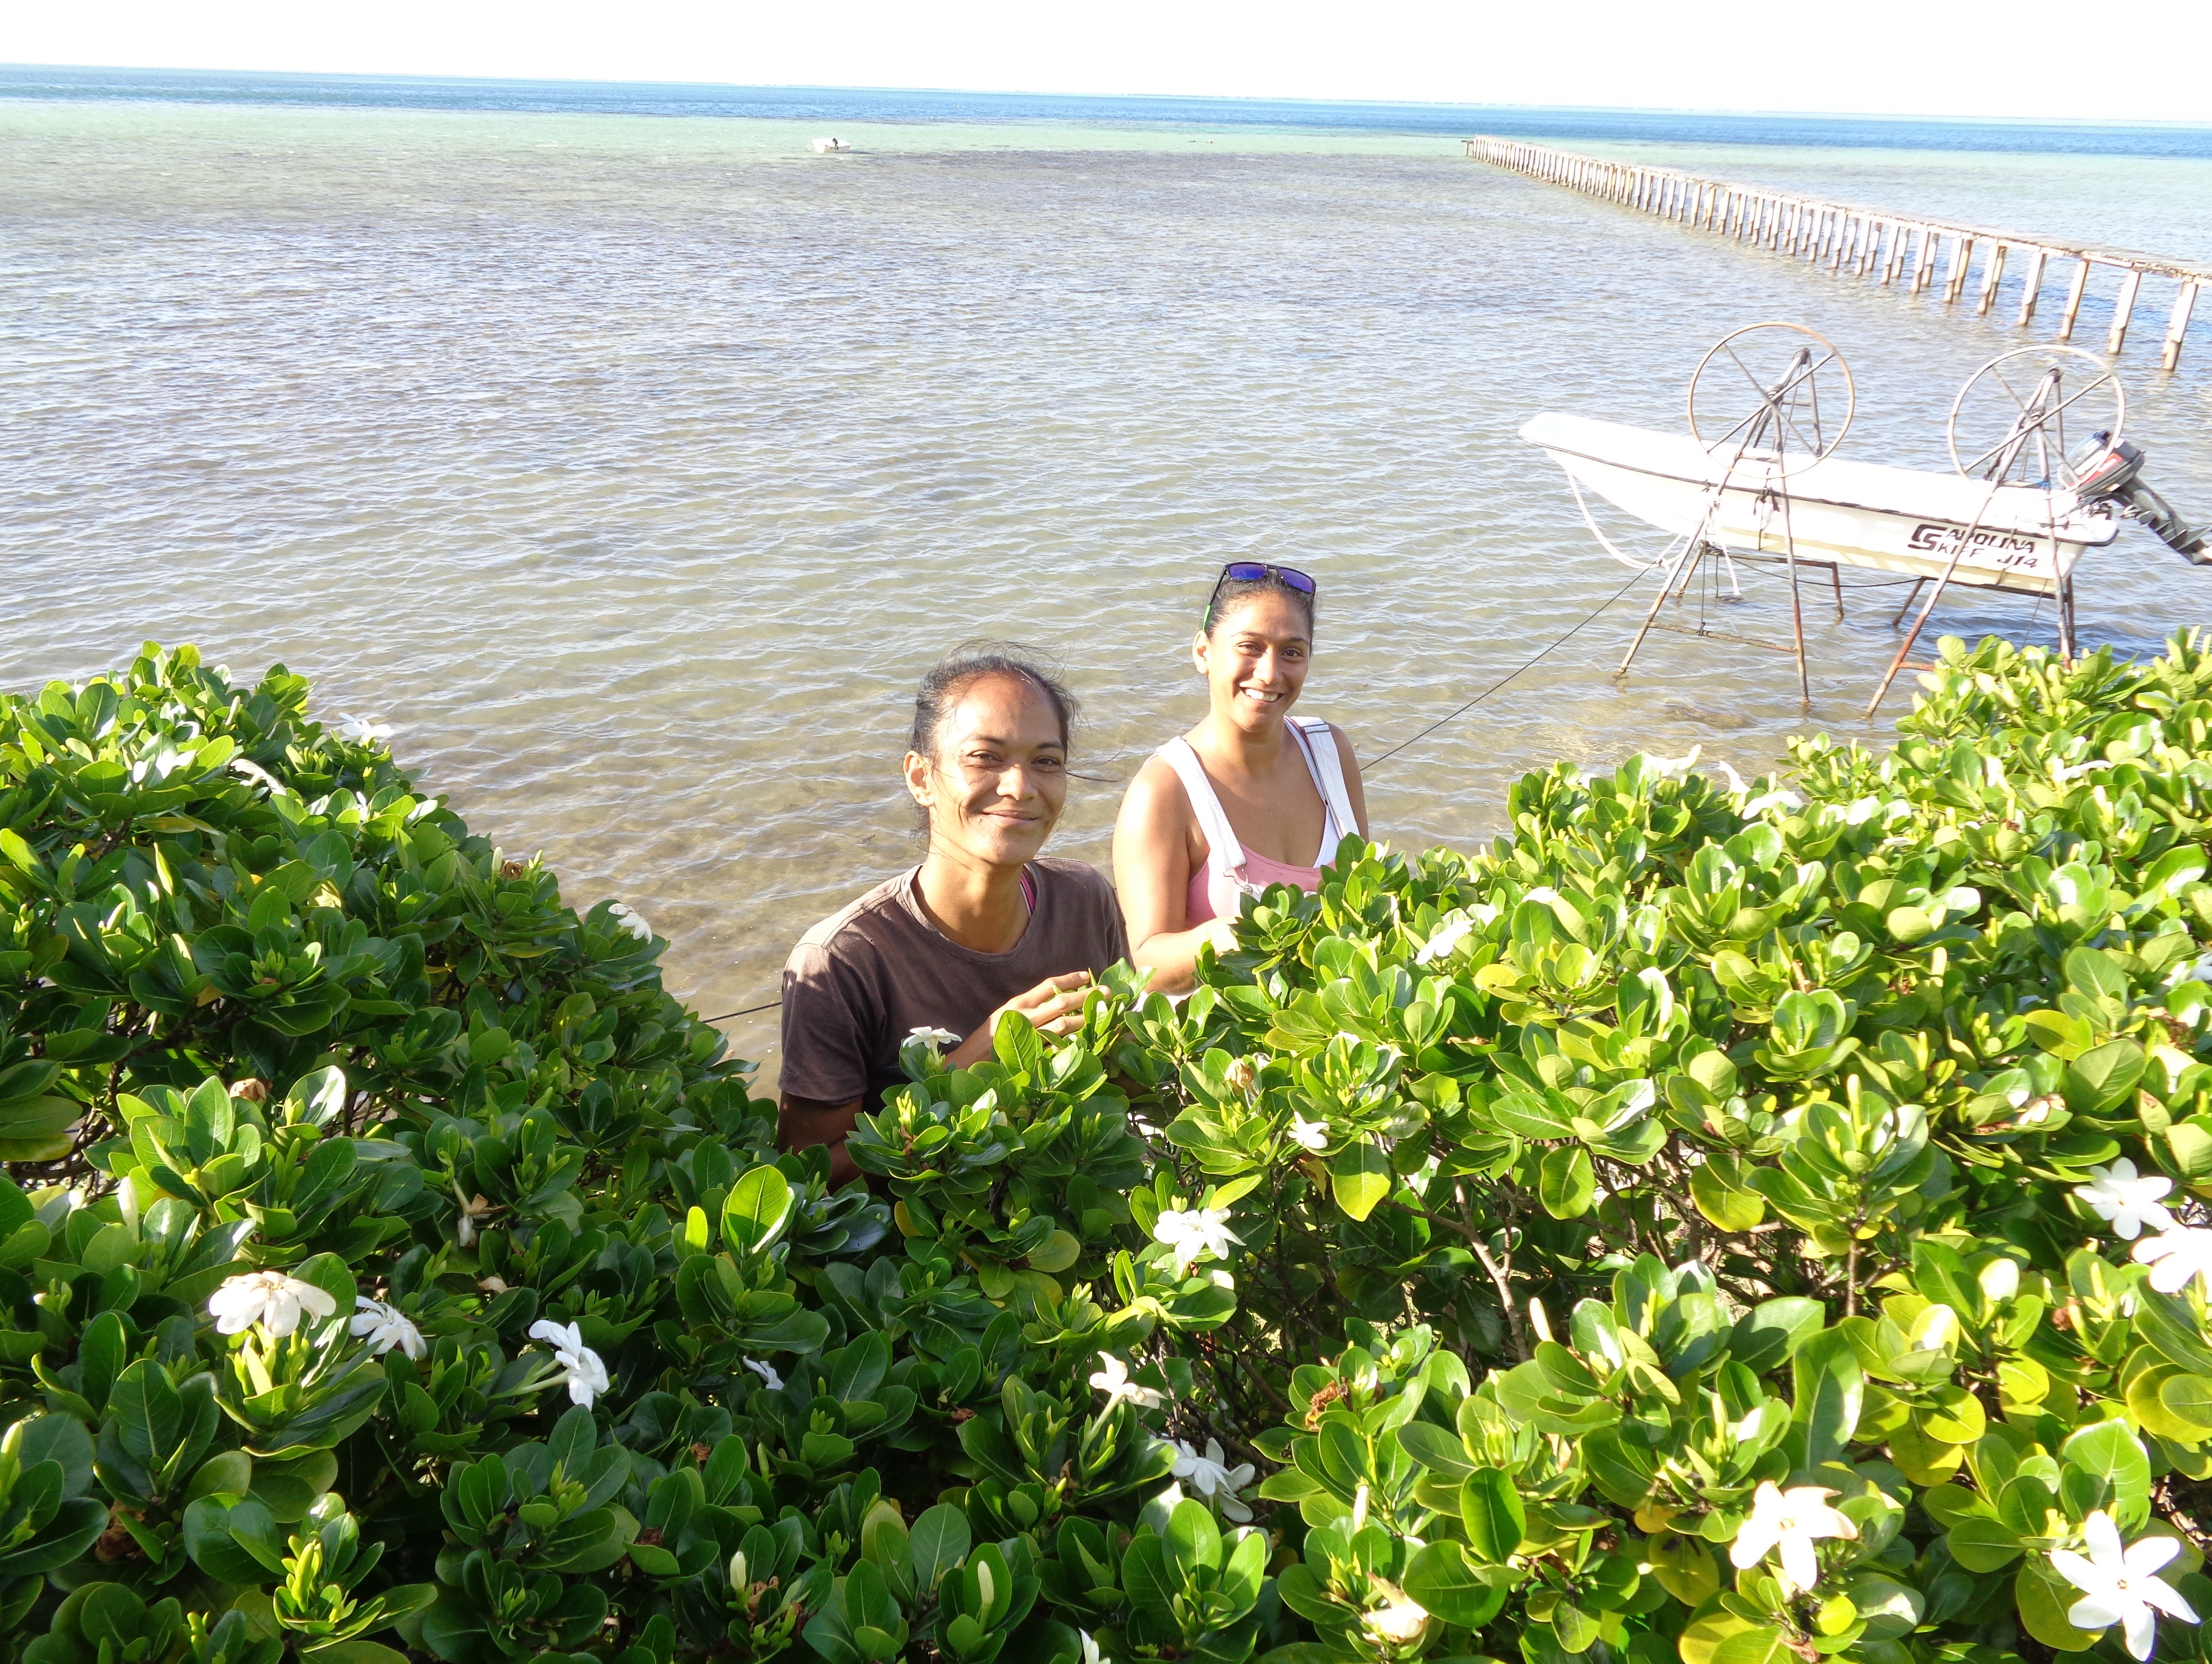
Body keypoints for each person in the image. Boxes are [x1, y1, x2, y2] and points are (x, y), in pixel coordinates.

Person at [778, 647, 1128, 1180]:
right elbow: (808, 1181)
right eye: (985, 757)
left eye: (1046, 761)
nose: (1019, 787)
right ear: (920, 778)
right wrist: (970, 1074)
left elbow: (1125, 1092)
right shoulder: (840, 962)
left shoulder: (1083, 897)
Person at [1113, 562, 1368, 993]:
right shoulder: (1164, 791)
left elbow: (1365, 891)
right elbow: (1146, 965)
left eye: (1292, 652)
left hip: (1335, 1028)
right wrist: (1232, 935)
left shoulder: (1331, 753)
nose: (1269, 673)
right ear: (1203, 653)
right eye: (1249, 646)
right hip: (1218, 1046)